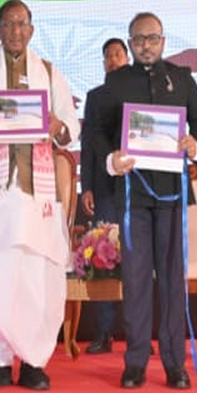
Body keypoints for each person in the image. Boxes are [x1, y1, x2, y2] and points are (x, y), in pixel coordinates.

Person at [0, 0, 79, 390]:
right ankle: (0, 361)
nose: (15, 30)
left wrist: (58, 126)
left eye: (22, 23)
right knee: (0, 276)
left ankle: (35, 362)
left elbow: (71, 124)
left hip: (38, 195)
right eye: (8, 24)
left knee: (38, 276)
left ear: (31, 29)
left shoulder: (50, 73)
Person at [98, 12, 197, 390]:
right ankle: (135, 362)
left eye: (152, 38)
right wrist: (112, 157)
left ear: (163, 41)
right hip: (133, 195)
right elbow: (97, 130)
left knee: (172, 280)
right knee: (135, 281)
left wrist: (195, 143)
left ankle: (175, 364)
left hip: (172, 194)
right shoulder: (116, 82)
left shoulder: (181, 78)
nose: (145, 45)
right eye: (138, 39)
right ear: (130, 43)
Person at [79, 37, 130, 353]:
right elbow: (87, 145)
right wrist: (86, 185)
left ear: (127, 59)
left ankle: (137, 333)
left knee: (137, 260)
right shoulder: (95, 97)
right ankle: (103, 332)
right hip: (103, 187)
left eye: (117, 54)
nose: (113, 60)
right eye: (108, 56)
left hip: (136, 187)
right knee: (103, 258)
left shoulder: (138, 92)